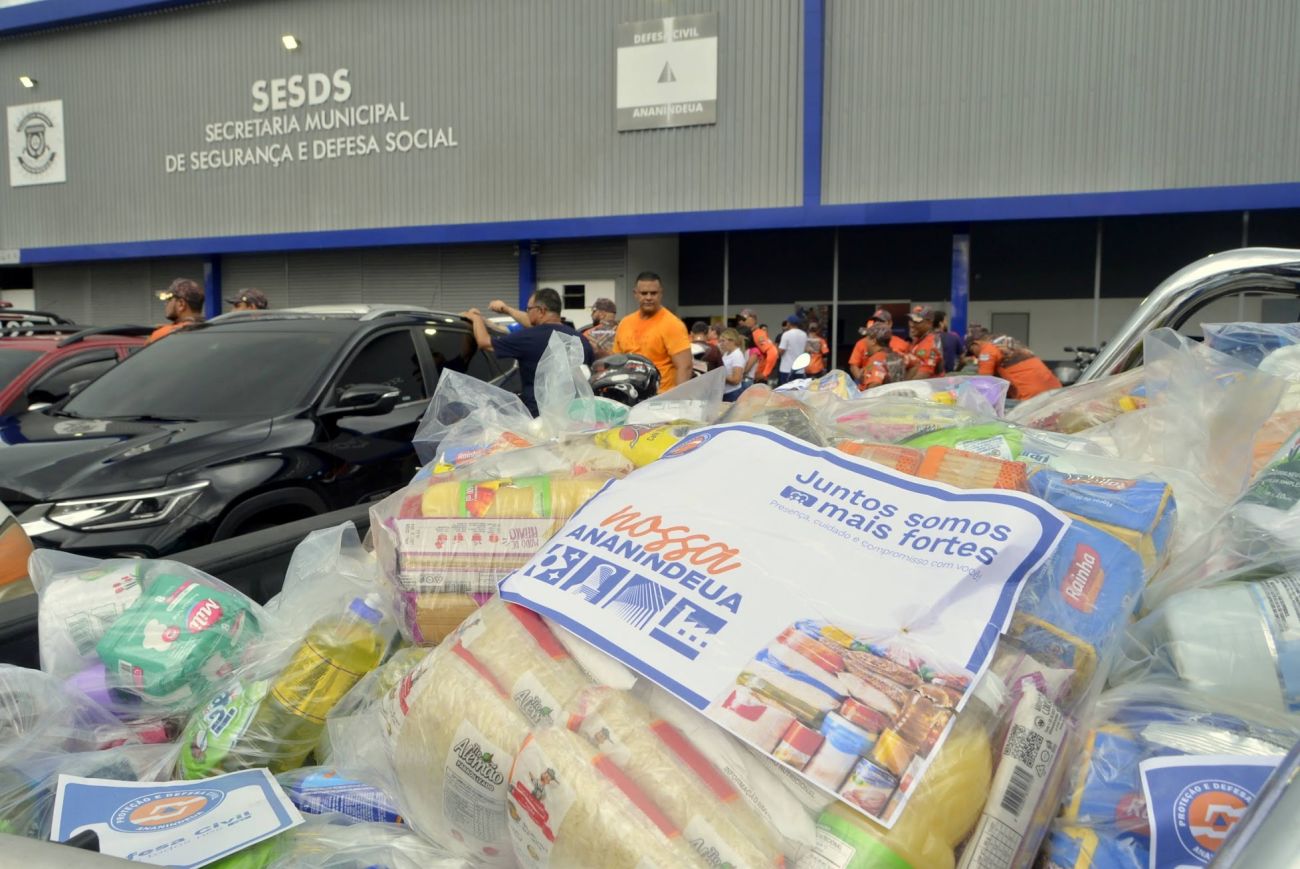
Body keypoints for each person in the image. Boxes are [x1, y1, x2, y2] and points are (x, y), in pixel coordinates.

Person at [463, 287, 593, 416]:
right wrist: (506, 310)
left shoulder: (528, 337)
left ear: (541, 311)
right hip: (575, 415)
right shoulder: (580, 339)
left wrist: (476, 318)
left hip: (539, 417)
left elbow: (484, 342)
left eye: (529, 309)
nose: (527, 313)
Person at [612, 272, 693, 393]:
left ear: (661, 293)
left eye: (653, 293)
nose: (649, 297)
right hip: (630, 395)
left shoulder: (672, 324)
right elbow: (617, 362)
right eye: (644, 293)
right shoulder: (625, 323)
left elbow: (685, 367)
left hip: (661, 396)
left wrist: (679, 398)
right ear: (635, 294)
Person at [971, 330, 1062, 400]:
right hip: (1055, 390)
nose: (975, 356)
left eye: (972, 351)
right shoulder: (1007, 343)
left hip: (1032, 396)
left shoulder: (987, 349)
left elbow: (984, 380)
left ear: (976, 343)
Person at [148, 278, 206, 344]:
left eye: (169, 299)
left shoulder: (162, 336)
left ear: (181, 304)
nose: (166, 304)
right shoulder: (210, 330)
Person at [855, 324, 906, 390]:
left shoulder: (877, 361)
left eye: (867, 338)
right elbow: (915, 365)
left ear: (873, 341)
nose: (865, 341)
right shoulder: (897, 355)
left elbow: (875, 384)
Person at [738, 309, 779, 385]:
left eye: (744, 319)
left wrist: (764, 373)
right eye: (740, 319)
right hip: (750, 377)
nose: (740, 322)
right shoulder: (751, 333)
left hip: (756, 378)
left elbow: (773, 352)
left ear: (753, 320)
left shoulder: (758, 334)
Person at [906, 305, 945, 380]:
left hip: (929, 386)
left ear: (929, 323)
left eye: (916, 321)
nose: (911, 324)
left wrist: (903, 386)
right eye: (911, 320)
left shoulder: (932, 342)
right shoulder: (918, 340)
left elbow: (924, 374)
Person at [718, 328, 748, 401]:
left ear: (732, 341)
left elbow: (736, 380)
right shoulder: (726, 353)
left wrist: (720, 375)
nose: (720, 344)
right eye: (720, 341)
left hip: (732, 393)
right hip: (726, 392)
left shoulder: (737, 355)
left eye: (723, 341)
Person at [777, 316, 808, 384]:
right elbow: (805, 350)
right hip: (800, 370)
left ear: (789, 323)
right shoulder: (804, 334)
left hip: (787, 369)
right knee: (798, 389)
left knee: (786, 389)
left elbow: (781, 351)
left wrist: (776, 349)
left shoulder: (786, 334)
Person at [933, 309, 963, 374]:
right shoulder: (953, 336)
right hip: (947, 376)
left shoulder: (925, 338)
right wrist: (956, 371)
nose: (947, 323)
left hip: (928, 376)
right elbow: (963, 360)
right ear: (941, 323)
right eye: (945, 320)